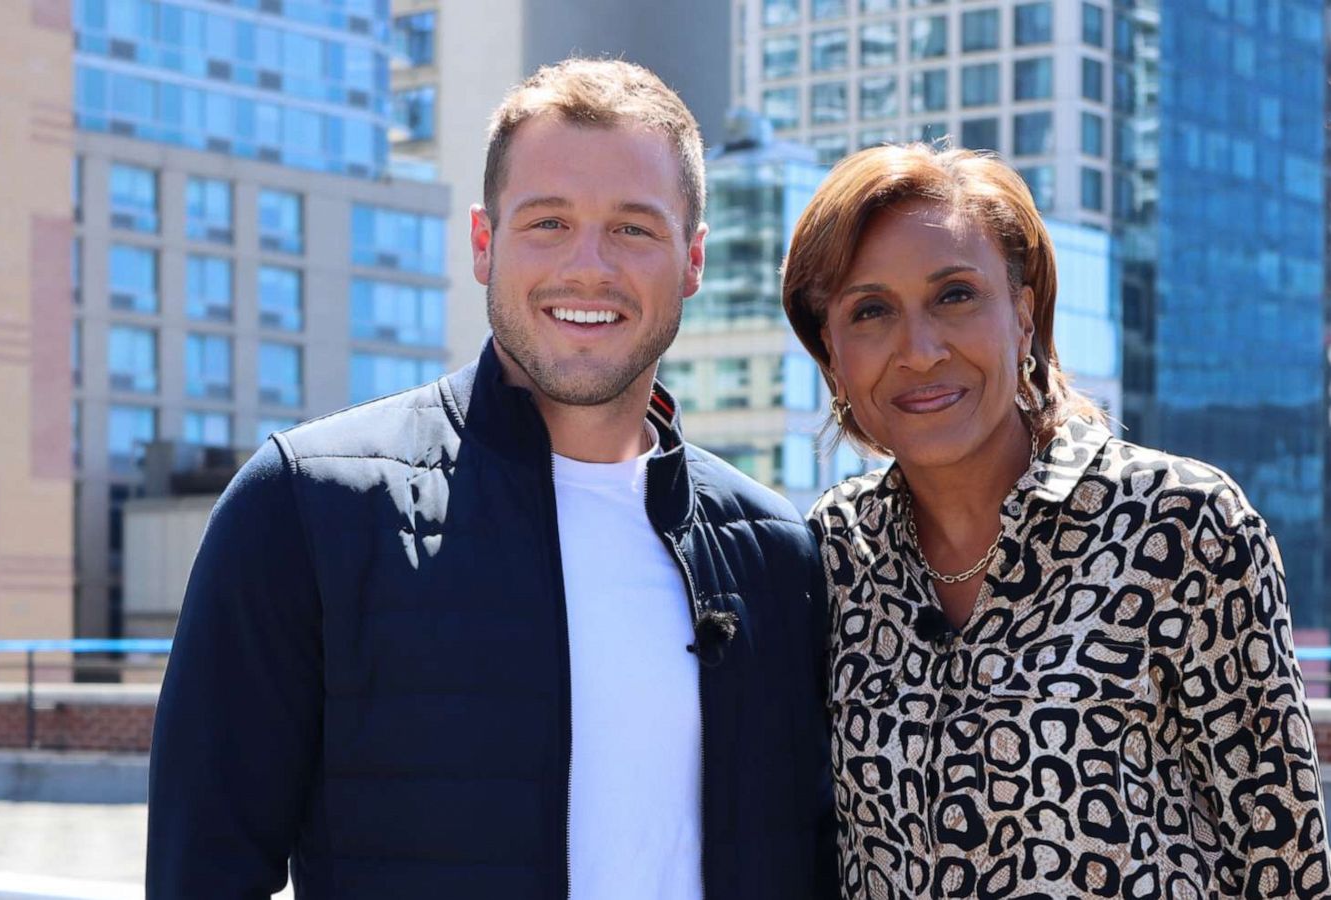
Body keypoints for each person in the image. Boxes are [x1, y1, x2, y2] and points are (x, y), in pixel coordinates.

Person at [148, 59, 832, 900]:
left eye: (633, 228)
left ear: (692, 261)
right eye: (548, 222)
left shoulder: (775, 554)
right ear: (484, 242)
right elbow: (202, 874)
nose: (588, 267)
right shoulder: (304, 508)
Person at [783, 144, 1331, 899]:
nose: (919, 351)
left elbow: (1284, 860)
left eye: (954, 296)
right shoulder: (830, 556)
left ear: (1023, 314)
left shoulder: (1179, 530)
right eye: (870, 311)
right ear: (832, 355)